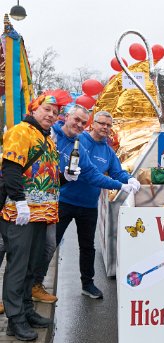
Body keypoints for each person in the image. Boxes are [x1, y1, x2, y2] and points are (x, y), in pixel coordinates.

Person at [32, 105, 139, 302]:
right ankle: (36, 283)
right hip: (64, 200)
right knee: (50, 244)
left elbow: (116, 172)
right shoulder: (78, 139)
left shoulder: (107, 151)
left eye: (109, 125)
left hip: (89, 205)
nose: (105, 128)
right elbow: (91, 174)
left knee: (88, 246)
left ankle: (87, 284)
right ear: (94, 124)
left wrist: (129, 179)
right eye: (102, 123)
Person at [0, 90, 74, 341]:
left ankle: (27, 310)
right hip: (22, 215)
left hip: (42, 215)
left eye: (55, 113)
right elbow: (10, 170)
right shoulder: (21, 132)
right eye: (47, 110)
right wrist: (20, 203)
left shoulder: (47, 139)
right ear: (34, 109)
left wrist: (65, 178)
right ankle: (15, 319)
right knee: (18, 267)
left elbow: (44, 179)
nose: (52, 115)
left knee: (31, 267)